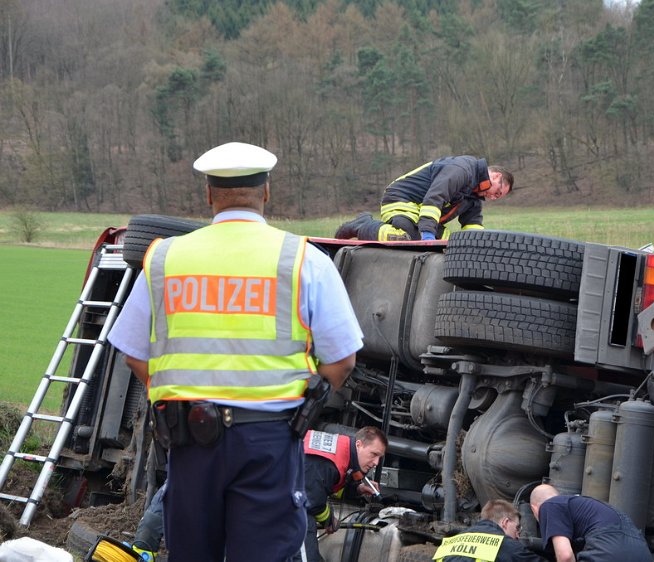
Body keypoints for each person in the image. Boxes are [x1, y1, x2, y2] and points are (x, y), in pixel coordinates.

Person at [107, 141, 364, 562]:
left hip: (189, 437)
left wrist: (172, 390)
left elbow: (133, 352)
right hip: (269, 439)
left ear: (208, 194)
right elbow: (342, 360)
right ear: (266, 193)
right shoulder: (303, 259)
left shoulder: (164, 258)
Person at [334, 156, 513, 241]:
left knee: (448, 242)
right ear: (495, 176)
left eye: (498, 197)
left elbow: (473, 225)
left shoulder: (475, 197)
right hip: (401, 199)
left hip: (423, 215)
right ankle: (361, 225)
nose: (494, 198)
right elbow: (435, 197)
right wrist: (427, 234)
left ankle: (422, 233)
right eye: (497, 192)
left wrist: (476, 246)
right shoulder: (462, 169)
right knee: (406, 237)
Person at [302, 426, 388, 562]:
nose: (376, 463)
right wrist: (329, 519)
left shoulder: (343, 449)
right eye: (373, 454)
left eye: (379, 457)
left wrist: (357, 489)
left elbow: (326, 484)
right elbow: (312, 501)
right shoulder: (330, 463)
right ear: (359, 445)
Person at [529, 484, 653, 562]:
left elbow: (565, 556)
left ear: (534, 509)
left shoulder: (549, 505)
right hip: (641, 551)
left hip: (608, 550)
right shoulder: (585, 505)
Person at [433, 499, 547, 562]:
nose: (518, 535)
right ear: (505, 523)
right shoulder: (504, 544)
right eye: (517, 528)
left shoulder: (453, 540)